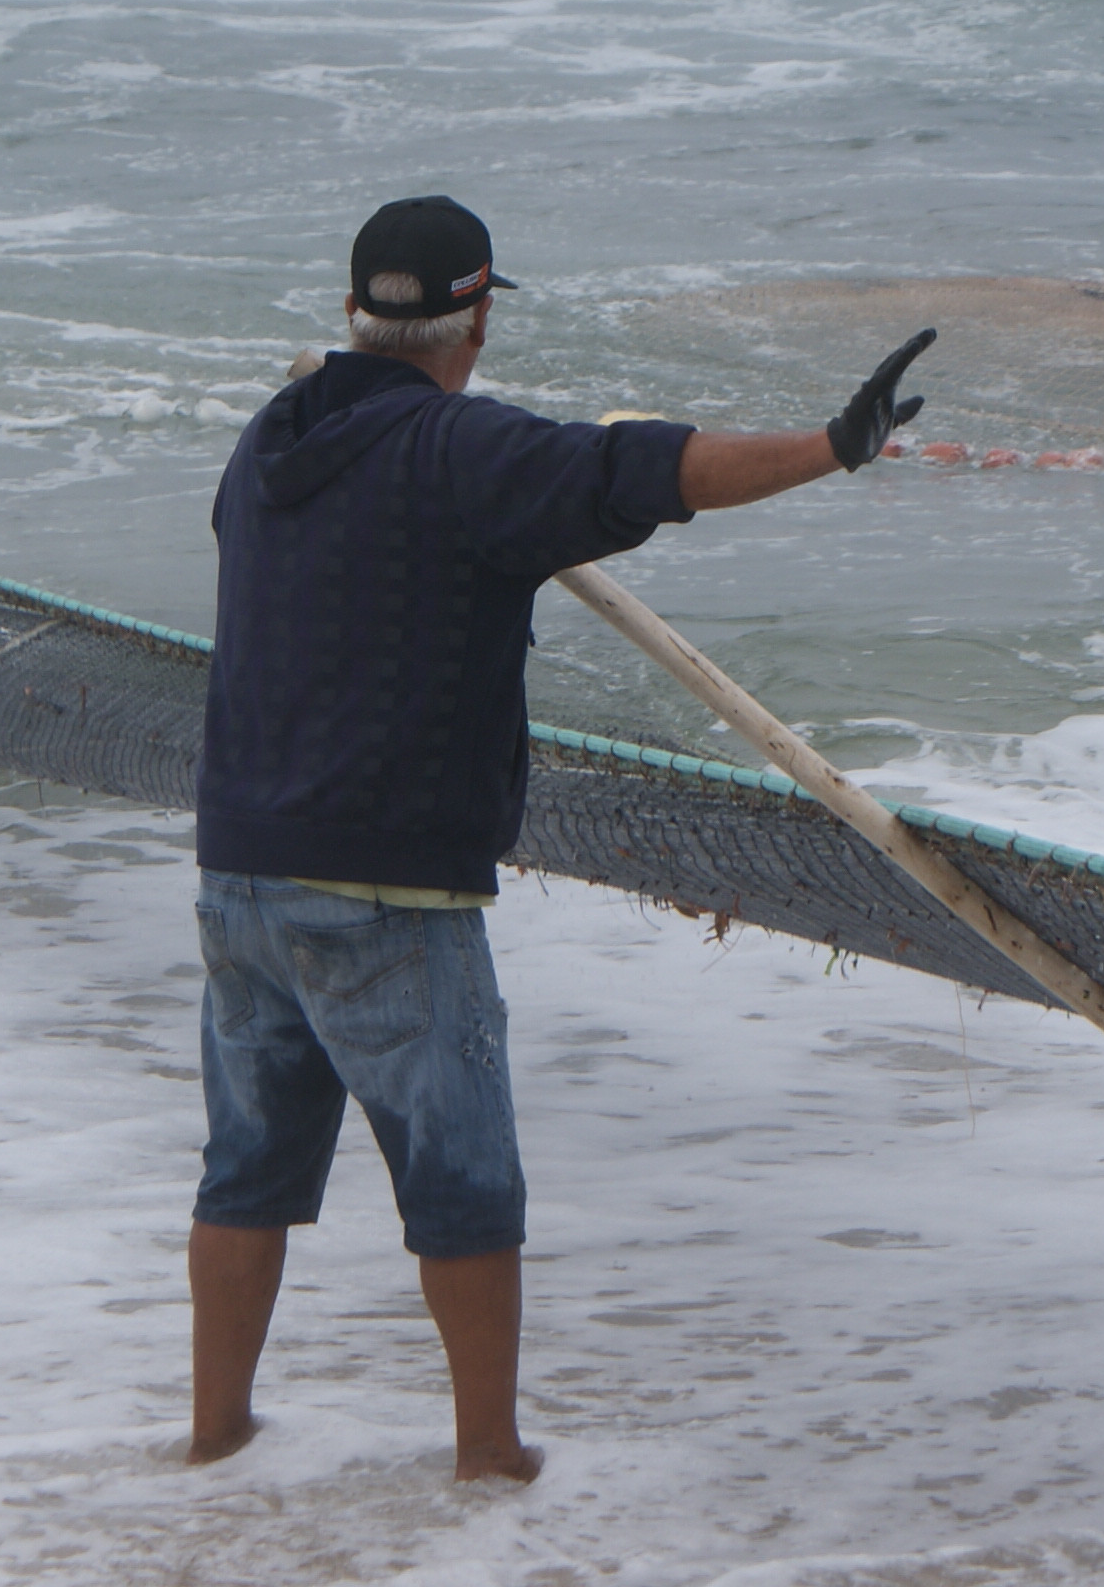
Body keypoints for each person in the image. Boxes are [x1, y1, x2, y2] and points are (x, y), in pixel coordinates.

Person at [183, 193, 933, 1480]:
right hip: (386, 891)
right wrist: (831, 445)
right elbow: (643, 470)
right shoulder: (459, 452)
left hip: (239, 868)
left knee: (246, 1170)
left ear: (355, 314)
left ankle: (213, 1435)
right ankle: (488, 1459)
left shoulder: (271, 439)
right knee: (461, 1183)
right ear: (473, 317)